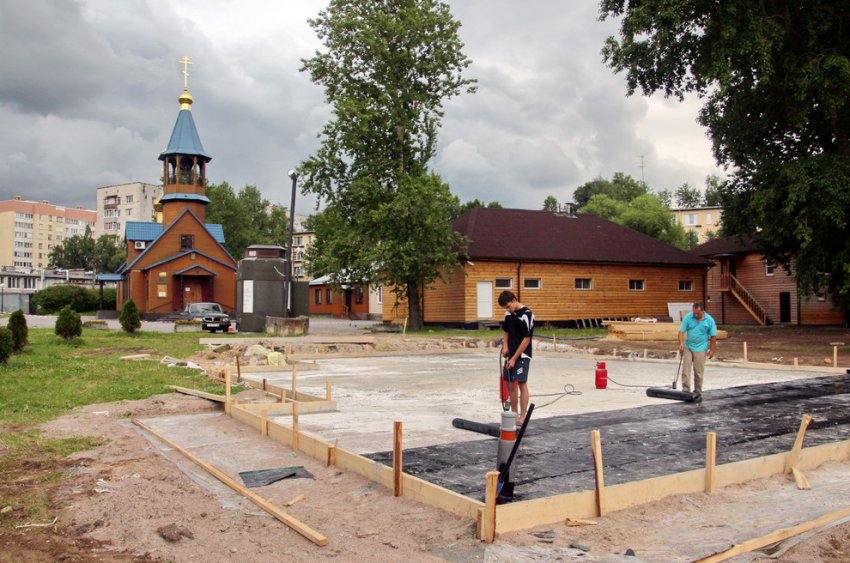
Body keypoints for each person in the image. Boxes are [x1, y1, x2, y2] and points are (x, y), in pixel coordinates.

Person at [499, 290, 534, 424]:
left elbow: (526, 339)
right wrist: (505, 345)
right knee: (509, 381)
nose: (508, 309)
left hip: (523, 354)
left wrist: (514, 358)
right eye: (505, 308)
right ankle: (514, 413)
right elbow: (506, 331)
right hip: (511, 352)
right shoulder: (509, 314)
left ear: (514, 300)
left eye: (508, 306)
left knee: (521, 382)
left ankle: (522, 416)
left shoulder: (527, 315)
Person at [677, 302, 717, 401]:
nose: (695, 315)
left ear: (702, 311)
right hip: (689, 346)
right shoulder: (688, 317)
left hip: (701, 347)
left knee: (698, 371)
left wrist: (712, 350)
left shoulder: (709, 320)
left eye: (697, 313)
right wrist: (681, 342)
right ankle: (686, 390)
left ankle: (698, 391)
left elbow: (713, 337)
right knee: (686, 368)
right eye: (694, 313)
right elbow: (681, 332)